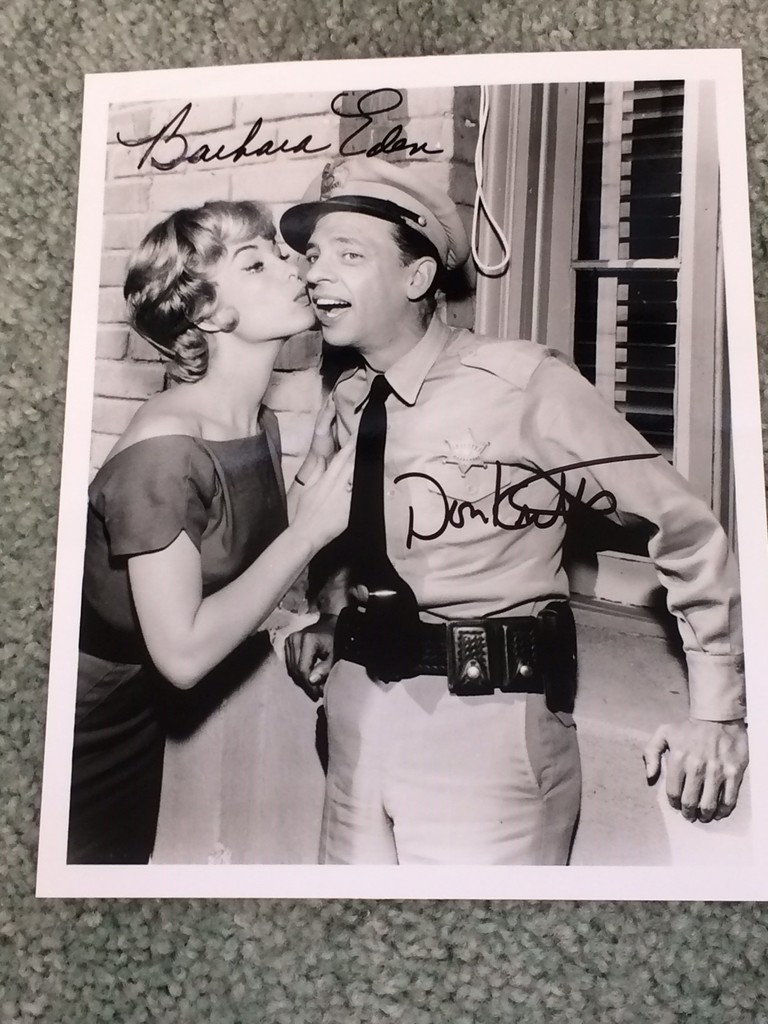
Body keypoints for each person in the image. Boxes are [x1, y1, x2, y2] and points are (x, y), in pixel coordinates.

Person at [280, 156, 749, 866]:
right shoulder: (351, 396)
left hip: (484, 730)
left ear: (417, 277)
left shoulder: (525, 385)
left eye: (349, 255)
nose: (317, 274)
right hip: (354, 716)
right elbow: (356, 531)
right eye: (314, 256)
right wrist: (334, 610)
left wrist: (717, 711)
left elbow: (683, 525)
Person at [69, 200, 353, 864]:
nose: (295, 268)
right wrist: (309, 533)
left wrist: (314, 472)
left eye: (279, 253)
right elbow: (184, 655)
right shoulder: (167, 449)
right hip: (81, 721)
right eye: (255, 265)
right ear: (207, 313)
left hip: (137, 714)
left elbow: (234, 569)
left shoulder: (254, 422)